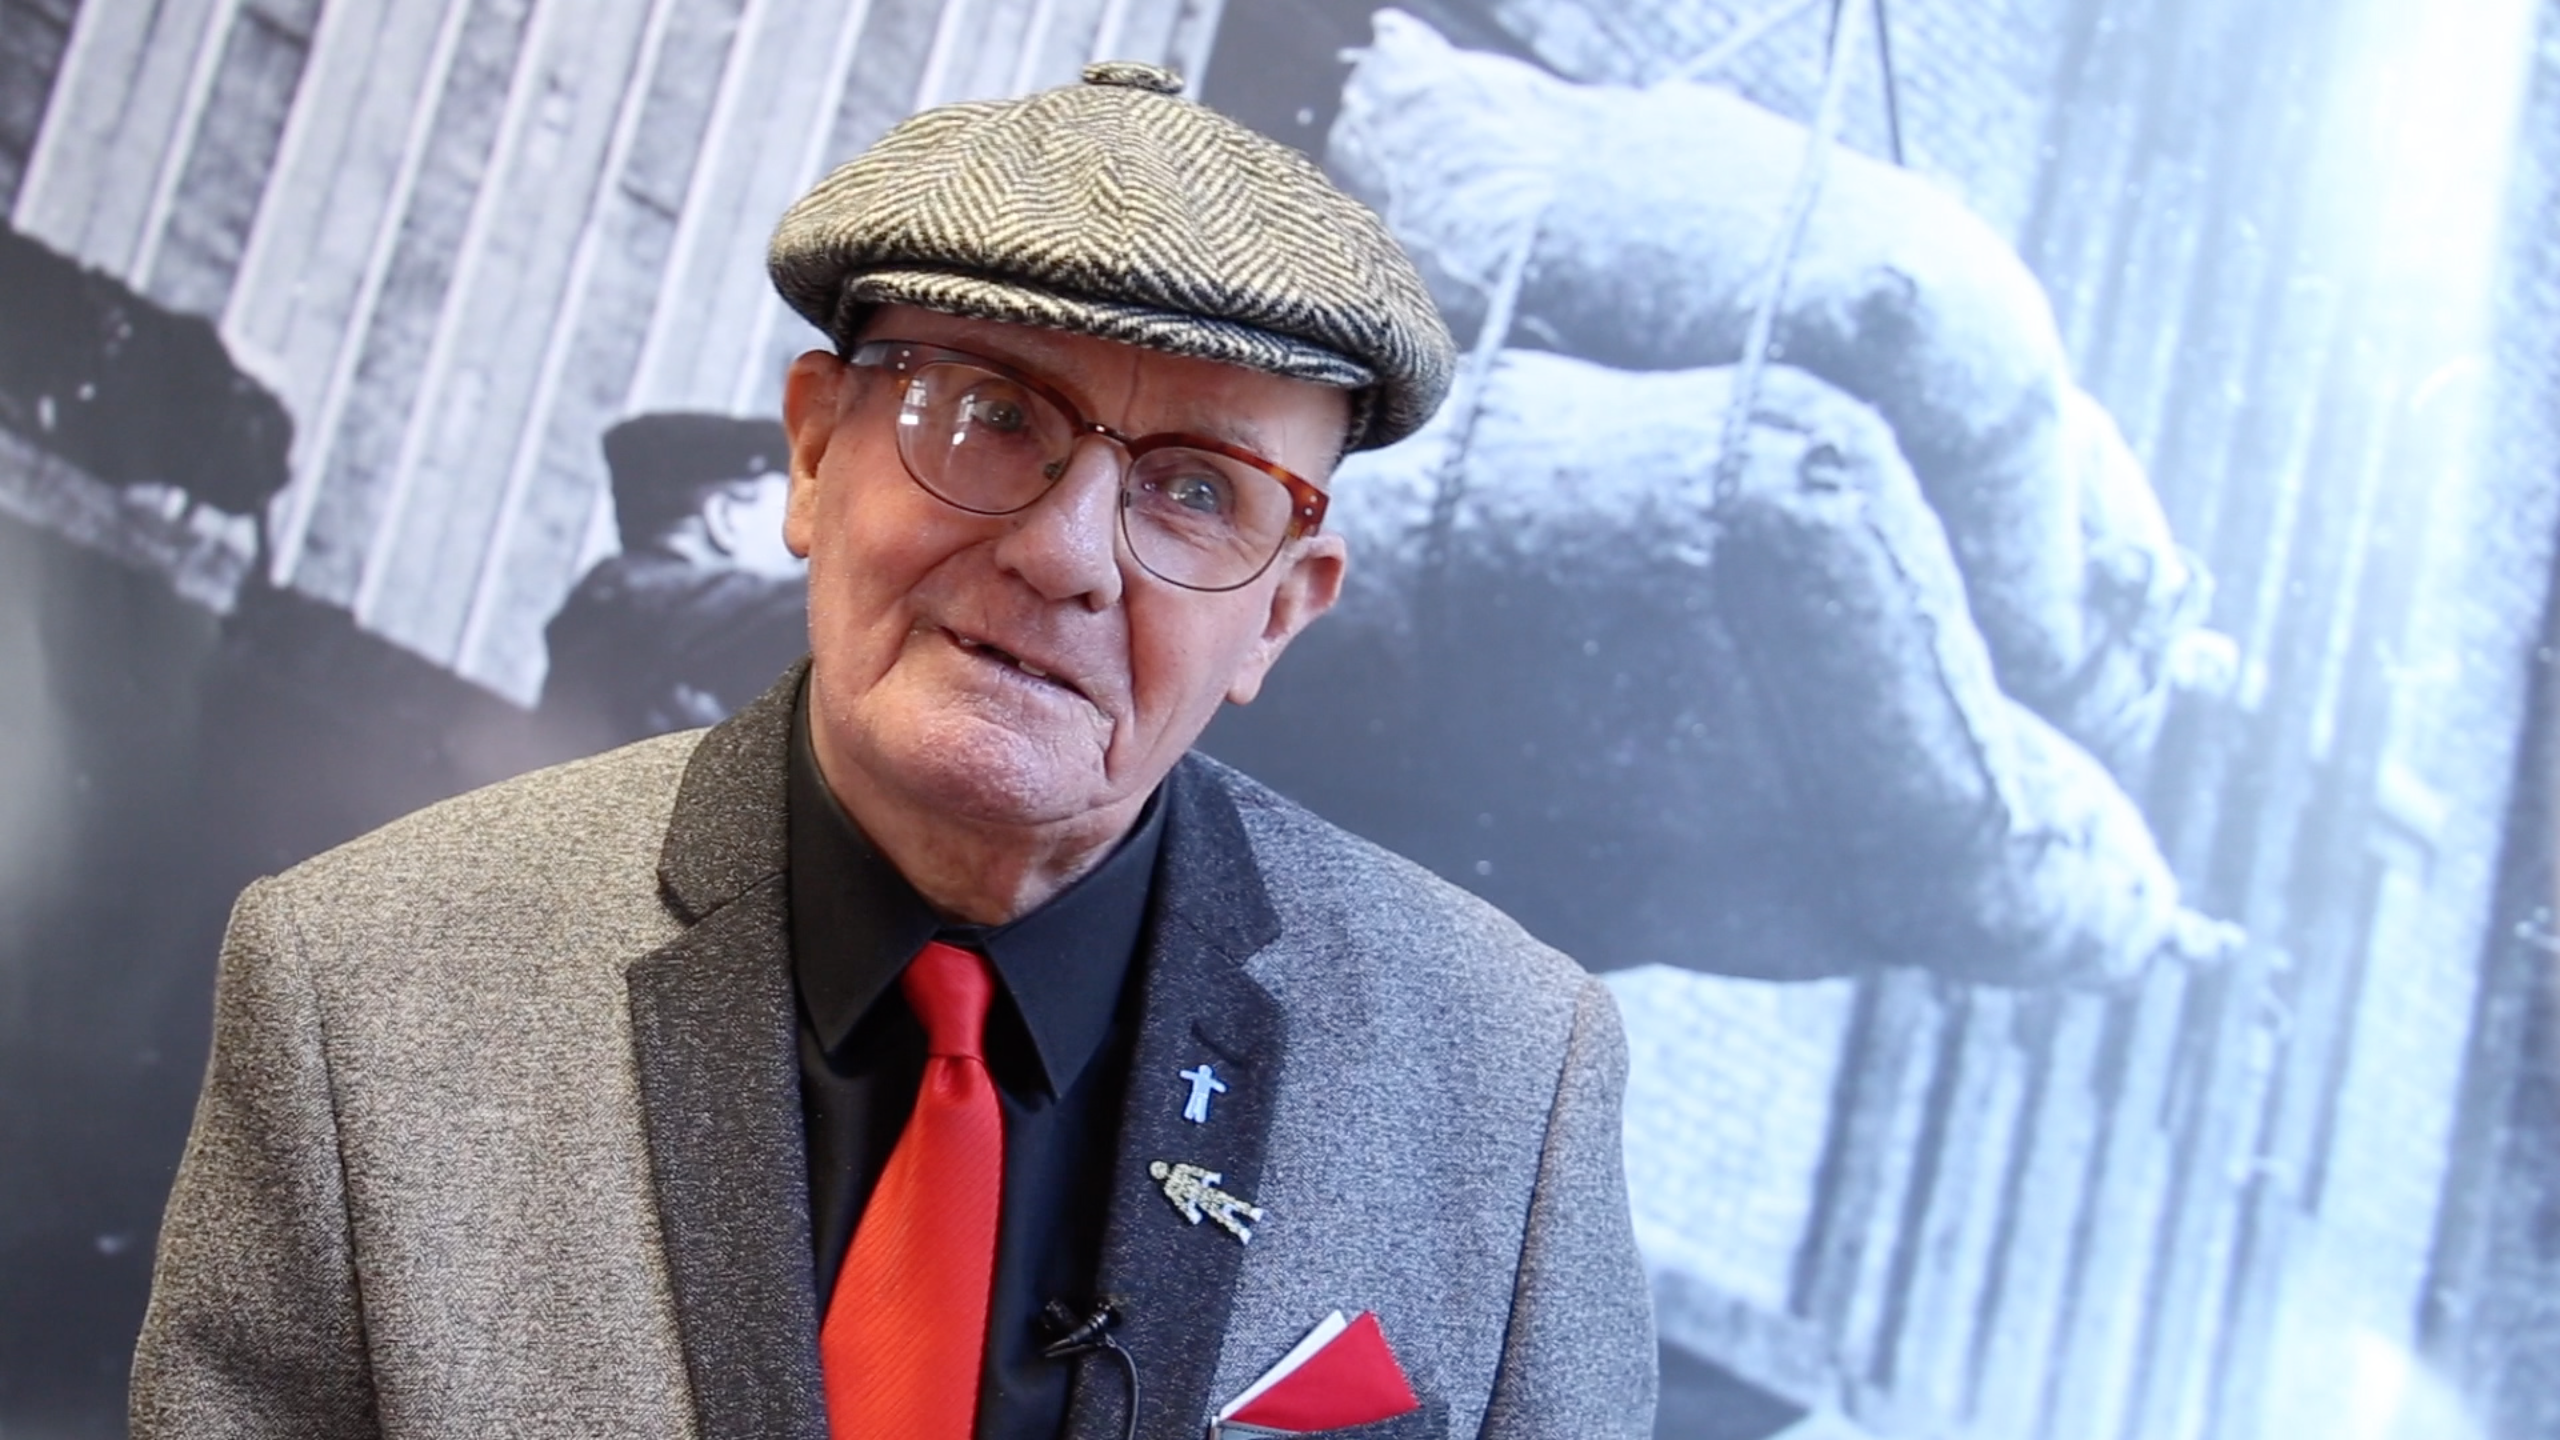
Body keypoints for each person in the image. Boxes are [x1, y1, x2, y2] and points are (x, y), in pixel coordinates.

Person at [131, 61, 1655, 1440]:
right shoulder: (365, 986)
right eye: (991, 413)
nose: (1065, 555)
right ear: (813, 451)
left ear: (1280, 611)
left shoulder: (1511, 1092)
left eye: (1197, 490)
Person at [540, 412, 809, 750]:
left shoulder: (620, 608)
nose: (810, 543)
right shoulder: (645, 601)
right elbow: (802, 610)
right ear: (727, 517)